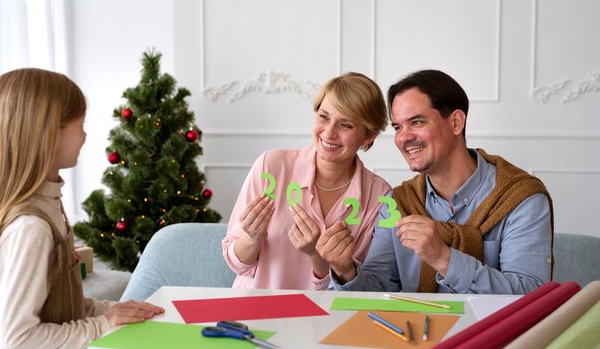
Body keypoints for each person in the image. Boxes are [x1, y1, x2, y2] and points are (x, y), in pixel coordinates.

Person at [0, 68, 164, 349]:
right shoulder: (30, 228)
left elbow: (55, 305)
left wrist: (108, 310)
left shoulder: (49, 207)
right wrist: (103, 326)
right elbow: (16, 339)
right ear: (46, 133)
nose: (85, 137)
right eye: (80, 126)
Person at [321, 69, 554, 295]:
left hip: (500, 334)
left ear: (456, 123)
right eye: (398, 127)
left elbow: (531, 294)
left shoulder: (521, 198)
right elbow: (379, 289)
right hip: (415, 333)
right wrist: (345, 271)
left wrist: (443, 258)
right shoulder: (399, 203)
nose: (403, 138)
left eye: (417, 122)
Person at [222, 72, 392, 290]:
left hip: (328, 320)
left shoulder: (379, 197)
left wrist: (316, 255)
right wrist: (252, 239)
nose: (329, 133)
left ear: (368, 136)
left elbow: (364, 290)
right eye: (324, 117)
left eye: (346, 125)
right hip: (254, 315)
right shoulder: (270, 166)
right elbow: (235, 263)